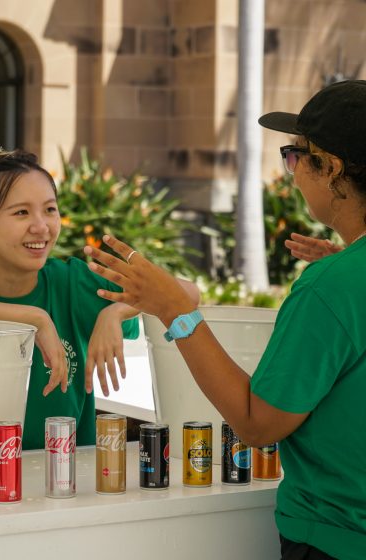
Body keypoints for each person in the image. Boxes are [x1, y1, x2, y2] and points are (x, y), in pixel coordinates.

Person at [84, 80, 366, 560]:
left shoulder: (332, 288)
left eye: (296, 156)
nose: (292, 173)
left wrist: (176, 311)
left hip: (336, 538)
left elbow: (258, 424)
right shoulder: (341, 279)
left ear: (332, 168)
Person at [0, 134, 144, 450]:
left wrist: (116, 312)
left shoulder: (73, 283)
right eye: (21, 213)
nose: (41, 226)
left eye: (50, 209)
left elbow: (185, 294)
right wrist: (33, 318)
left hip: (66, 472)